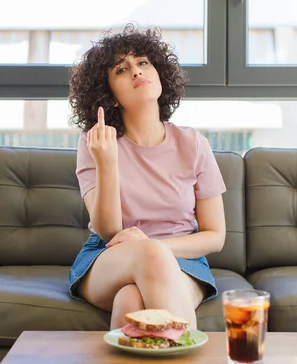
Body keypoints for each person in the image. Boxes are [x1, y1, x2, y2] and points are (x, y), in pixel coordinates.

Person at [67, 24, 227, 331]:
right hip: (109, 256)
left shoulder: (193, 143)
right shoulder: (97, 141)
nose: (137, 71)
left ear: (160, 74)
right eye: (121, 69)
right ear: (110, 96)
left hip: (184, 261)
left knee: (130, 300)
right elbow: (109, 229)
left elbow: (215, 236)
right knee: (146, 258)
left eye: (143, 63)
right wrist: (108, 162)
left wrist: (153, 244)